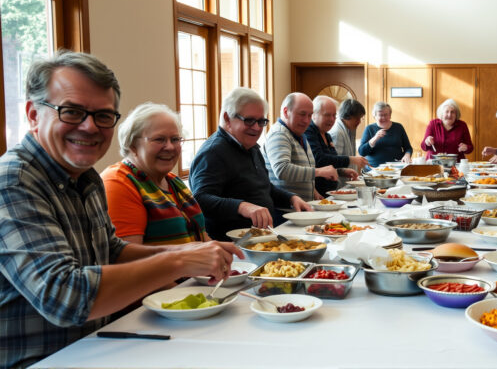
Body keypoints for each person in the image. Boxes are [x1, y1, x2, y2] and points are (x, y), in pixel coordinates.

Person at [0, 51, 242, 368]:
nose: (89, 127)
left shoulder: (85, 177)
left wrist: (196, 249)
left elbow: (111, 251)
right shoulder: (13, 182)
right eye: (71, 112)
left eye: (103, 116)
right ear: (33, 114)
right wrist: (179, 260)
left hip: (99, 345)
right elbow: (65, 298)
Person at [189, 88, 311, 240]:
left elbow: (264, 187)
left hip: (258, 239)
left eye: (261, 121)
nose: (257, 128)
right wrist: (242, 206)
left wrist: (291, 198)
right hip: (231, 246)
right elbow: (200, 199)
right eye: (249, 120)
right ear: (227, 118)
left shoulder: (250, 146)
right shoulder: (213, 152)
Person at [102, 103, 209, 244]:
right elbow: (128, 259)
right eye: (159, 139)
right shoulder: (118, 183)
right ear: (133, 145)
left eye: (175, 139)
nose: (170, 147)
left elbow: (201, 237)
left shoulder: (173, 181)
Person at [264, 92, 338, 201]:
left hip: (300, 208)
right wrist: (319, 172)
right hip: (285, 210)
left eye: (309, 115)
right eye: (302, 114)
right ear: (286, 112)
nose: (307, 120)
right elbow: (282, 170)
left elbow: (304, 168)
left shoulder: (299, 134)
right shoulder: (279, 133)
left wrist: (313, 191)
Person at [305, 96, 365, 196]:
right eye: (327, 115)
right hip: (317, 194)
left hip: (329, 193)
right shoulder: (309, 132)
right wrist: (351, 159)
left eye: (334, 116)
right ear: (314, 115)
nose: (332, 119)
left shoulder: (326, 134)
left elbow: (331, 163)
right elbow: (319, 160)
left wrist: (342, 171)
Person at [358, 101, 413, 168]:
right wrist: (374, 139)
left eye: (386, 115)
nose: (383, 118)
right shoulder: (369, 128)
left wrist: (407, 154)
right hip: (374, 168)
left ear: (390, 115)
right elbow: (362, 152)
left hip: (396, 167)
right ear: (374, 116)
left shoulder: (398, 127)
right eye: (380, 115)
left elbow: (408, 148)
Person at [328, 98, 368, 186]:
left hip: (346, 182)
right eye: (357, 118)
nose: (359, 122)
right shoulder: (337, 132)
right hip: (338, 185)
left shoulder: (349, 129)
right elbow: (334, 162)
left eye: (361, 118)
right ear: (348, 116)